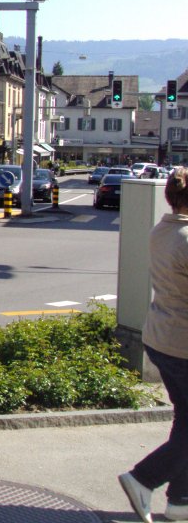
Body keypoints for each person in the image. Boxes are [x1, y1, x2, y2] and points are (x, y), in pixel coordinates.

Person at [118, 167, 188, 523]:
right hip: (182, 342)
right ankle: (143, 478)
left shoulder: (162, 230)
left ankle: (180, 502)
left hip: (162, 335)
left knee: (185, 420)